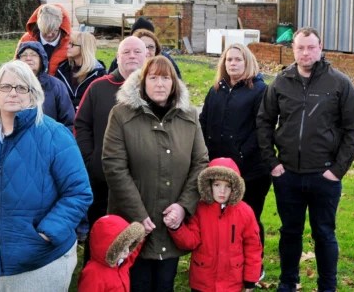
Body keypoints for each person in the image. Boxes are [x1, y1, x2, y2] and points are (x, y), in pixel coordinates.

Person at [0, 61, 92, 291]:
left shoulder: (55, 135)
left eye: (21, 87)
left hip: (39, 262)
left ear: (33, 94)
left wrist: (47, 233)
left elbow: (78, 192)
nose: (13, 92)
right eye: (5, 87)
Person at [256, 28, 354, 292]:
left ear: (320, 47)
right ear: (293, 49)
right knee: (289, 232)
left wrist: (337, 171)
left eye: (311, 47)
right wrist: (273, 163)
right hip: (288, 175)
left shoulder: (339, 83)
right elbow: (264, 122)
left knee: (324, 234)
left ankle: (327, 286)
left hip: (324, 177)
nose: (305, 53)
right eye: (300, 48)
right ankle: (288, 281)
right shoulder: (281, 82)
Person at [102, 55, 209, 291]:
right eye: (153, 78)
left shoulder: (188, 116)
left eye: (165, 78)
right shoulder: (121, 115)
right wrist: (138, 215)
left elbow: (200, 163)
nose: (159, 84)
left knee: (164, 283)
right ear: (142, 82)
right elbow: (114, 165)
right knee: (137, 282)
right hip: (134, 222)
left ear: (174, 83)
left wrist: (183, 206)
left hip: (172, 223)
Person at [74, 36, 149, 260]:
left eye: (137, 52)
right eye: (126, 52)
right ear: (117, 57)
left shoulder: (155, 88)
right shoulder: (99, 88)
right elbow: (81, 124)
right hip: (102, 179)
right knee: (101, 232)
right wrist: (91, 160)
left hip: (142, 180)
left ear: (146, 56)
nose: (132, 56)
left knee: (137, 234)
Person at [199, 43, 271, 248]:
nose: (233, 63)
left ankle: (255, 266)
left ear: (247, 62)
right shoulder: (216, 90)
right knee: (220, 220)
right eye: (229, 59)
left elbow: (262, 129)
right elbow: (204, 122)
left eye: (238, 59)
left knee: (248, 219)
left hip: (250, 171)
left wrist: (239, 155)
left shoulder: (259, 90)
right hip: (218, 169)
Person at [168, 158, 263, 292]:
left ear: (235, 187)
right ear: (209, 185)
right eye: (217, 185)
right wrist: (176, 227)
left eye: (227, 186)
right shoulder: (199, 209)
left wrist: (250, 279)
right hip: (203, 281)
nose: (222, 191)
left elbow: (253, 247)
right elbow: (191, 241)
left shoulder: (245, 212)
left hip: (232, 282)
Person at [77, 215, 145, 292]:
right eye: (122, 248)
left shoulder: (121, 263)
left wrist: (139, 239)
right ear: (110, 247)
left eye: (128, 246)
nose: (127, 251)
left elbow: (132, 253)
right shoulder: (93, 274)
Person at [16, 41, 75, 128]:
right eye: (24, 55)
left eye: (33, 55)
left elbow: (69, 122)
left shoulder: (56, 86)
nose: (28, 58)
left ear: (41, 60)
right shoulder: (10, 85)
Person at [15, 3, 72, 75]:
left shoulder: (72, 42)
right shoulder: (26, 40)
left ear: (60, 25)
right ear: (38, 26)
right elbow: (16, 66)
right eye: (45, 31)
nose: (49, 35)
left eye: (54, 30)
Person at [55, 30, 106, 109]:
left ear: (84, 47)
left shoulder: (99, 74)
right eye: (69, 43)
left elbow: (100, 102)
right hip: (63, 118)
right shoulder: (62, 69)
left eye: (72, 44)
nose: (68, 46)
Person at [109, 25, 182, 79]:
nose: (146, 51)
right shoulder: (122, 65)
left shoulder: (165, 64)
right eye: (142, 47)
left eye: (151, 47)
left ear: (156, 51)